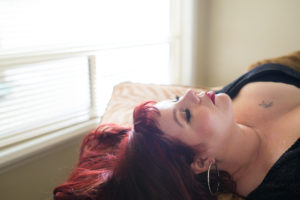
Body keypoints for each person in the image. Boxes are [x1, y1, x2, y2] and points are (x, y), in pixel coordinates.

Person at [53, 63, 300, 200]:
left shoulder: (222, 102)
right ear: (202, 161)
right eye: (186, 114)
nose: (192, 94)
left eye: (176, 99)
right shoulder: (285, 186)